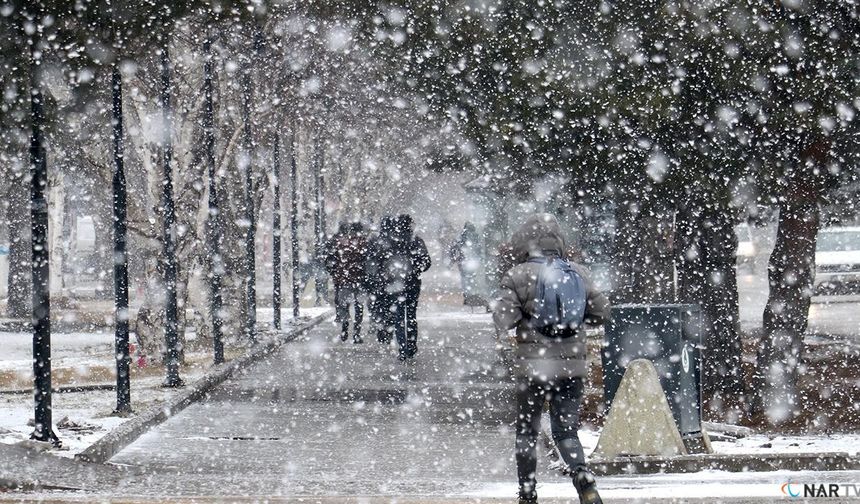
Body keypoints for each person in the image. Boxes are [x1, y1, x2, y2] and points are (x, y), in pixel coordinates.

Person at [492, 213, 609, 504]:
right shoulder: (578, 273)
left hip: (534, 367)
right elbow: (602, 311)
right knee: (566, 429)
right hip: (572, 365)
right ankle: (582, 474)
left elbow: (504, 318)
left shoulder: (517, 275)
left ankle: (528, 492)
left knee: (527, 431)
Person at [381, 214, 431, 360]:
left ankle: (402, 347)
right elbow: (426, 262)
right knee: (410, 315)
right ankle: (411, 344)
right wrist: (415, 270)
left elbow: (383, 262)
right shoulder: (416, 241)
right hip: (412, 283)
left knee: (398, 316)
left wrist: (389, 275)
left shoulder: (390, 242)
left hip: (396, 284)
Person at [324, 221, 368, 343]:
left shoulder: (339, 243)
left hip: (344, 280)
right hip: (359, 280)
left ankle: (344, 329)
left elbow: (329, 260)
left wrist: (335, 273)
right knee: (359, 308)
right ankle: (356, 334)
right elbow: (368, 262)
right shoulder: (363, 243)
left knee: (344, 306)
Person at [365, 216, 396, 343]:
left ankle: (380, 327)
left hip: (377, 279)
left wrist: (369, 276)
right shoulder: (395, 240)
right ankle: (388, 328)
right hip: (390, 279)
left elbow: (368, 259)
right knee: (390, 304)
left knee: (378, 304)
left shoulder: (374, 240)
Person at [449, 222, 487, 308]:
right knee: (470, 276)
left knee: (465, 277)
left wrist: (455, 259)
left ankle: (467, 294)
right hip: (470, 260)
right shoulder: (475, 236)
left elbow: (456, 247)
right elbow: (478, 248)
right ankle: (471, 294)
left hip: (463, 260)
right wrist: (479, 258)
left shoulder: (461, 236)